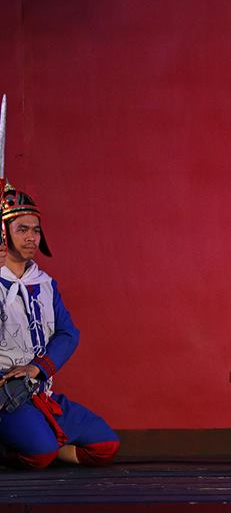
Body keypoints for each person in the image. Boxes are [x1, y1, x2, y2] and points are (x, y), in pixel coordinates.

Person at [0, 183, 120, 469]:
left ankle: (43, 444)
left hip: (38, 389)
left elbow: (68, 334)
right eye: (22, 229)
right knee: (40, 454)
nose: (31, 237)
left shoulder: (44, 284)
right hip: (5, 395)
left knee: (105, 445)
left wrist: (36, 368)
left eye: (36, 230)